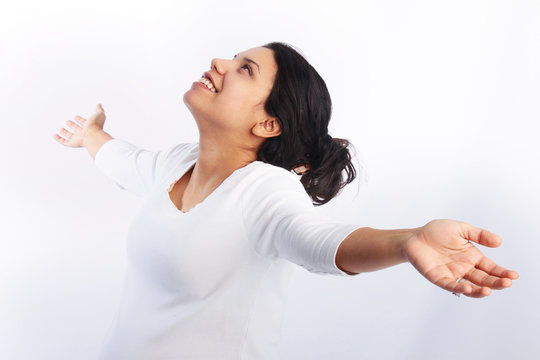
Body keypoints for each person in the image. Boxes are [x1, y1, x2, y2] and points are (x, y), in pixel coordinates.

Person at [52, 42, 519, 359]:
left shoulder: (264, 190)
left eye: (244, 69)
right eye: (233, 58)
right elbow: (125, 161)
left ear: (268, 124)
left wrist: (407, 240)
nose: (218, 63)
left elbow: (315, 240)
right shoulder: (177, 162)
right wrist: (92, 135)